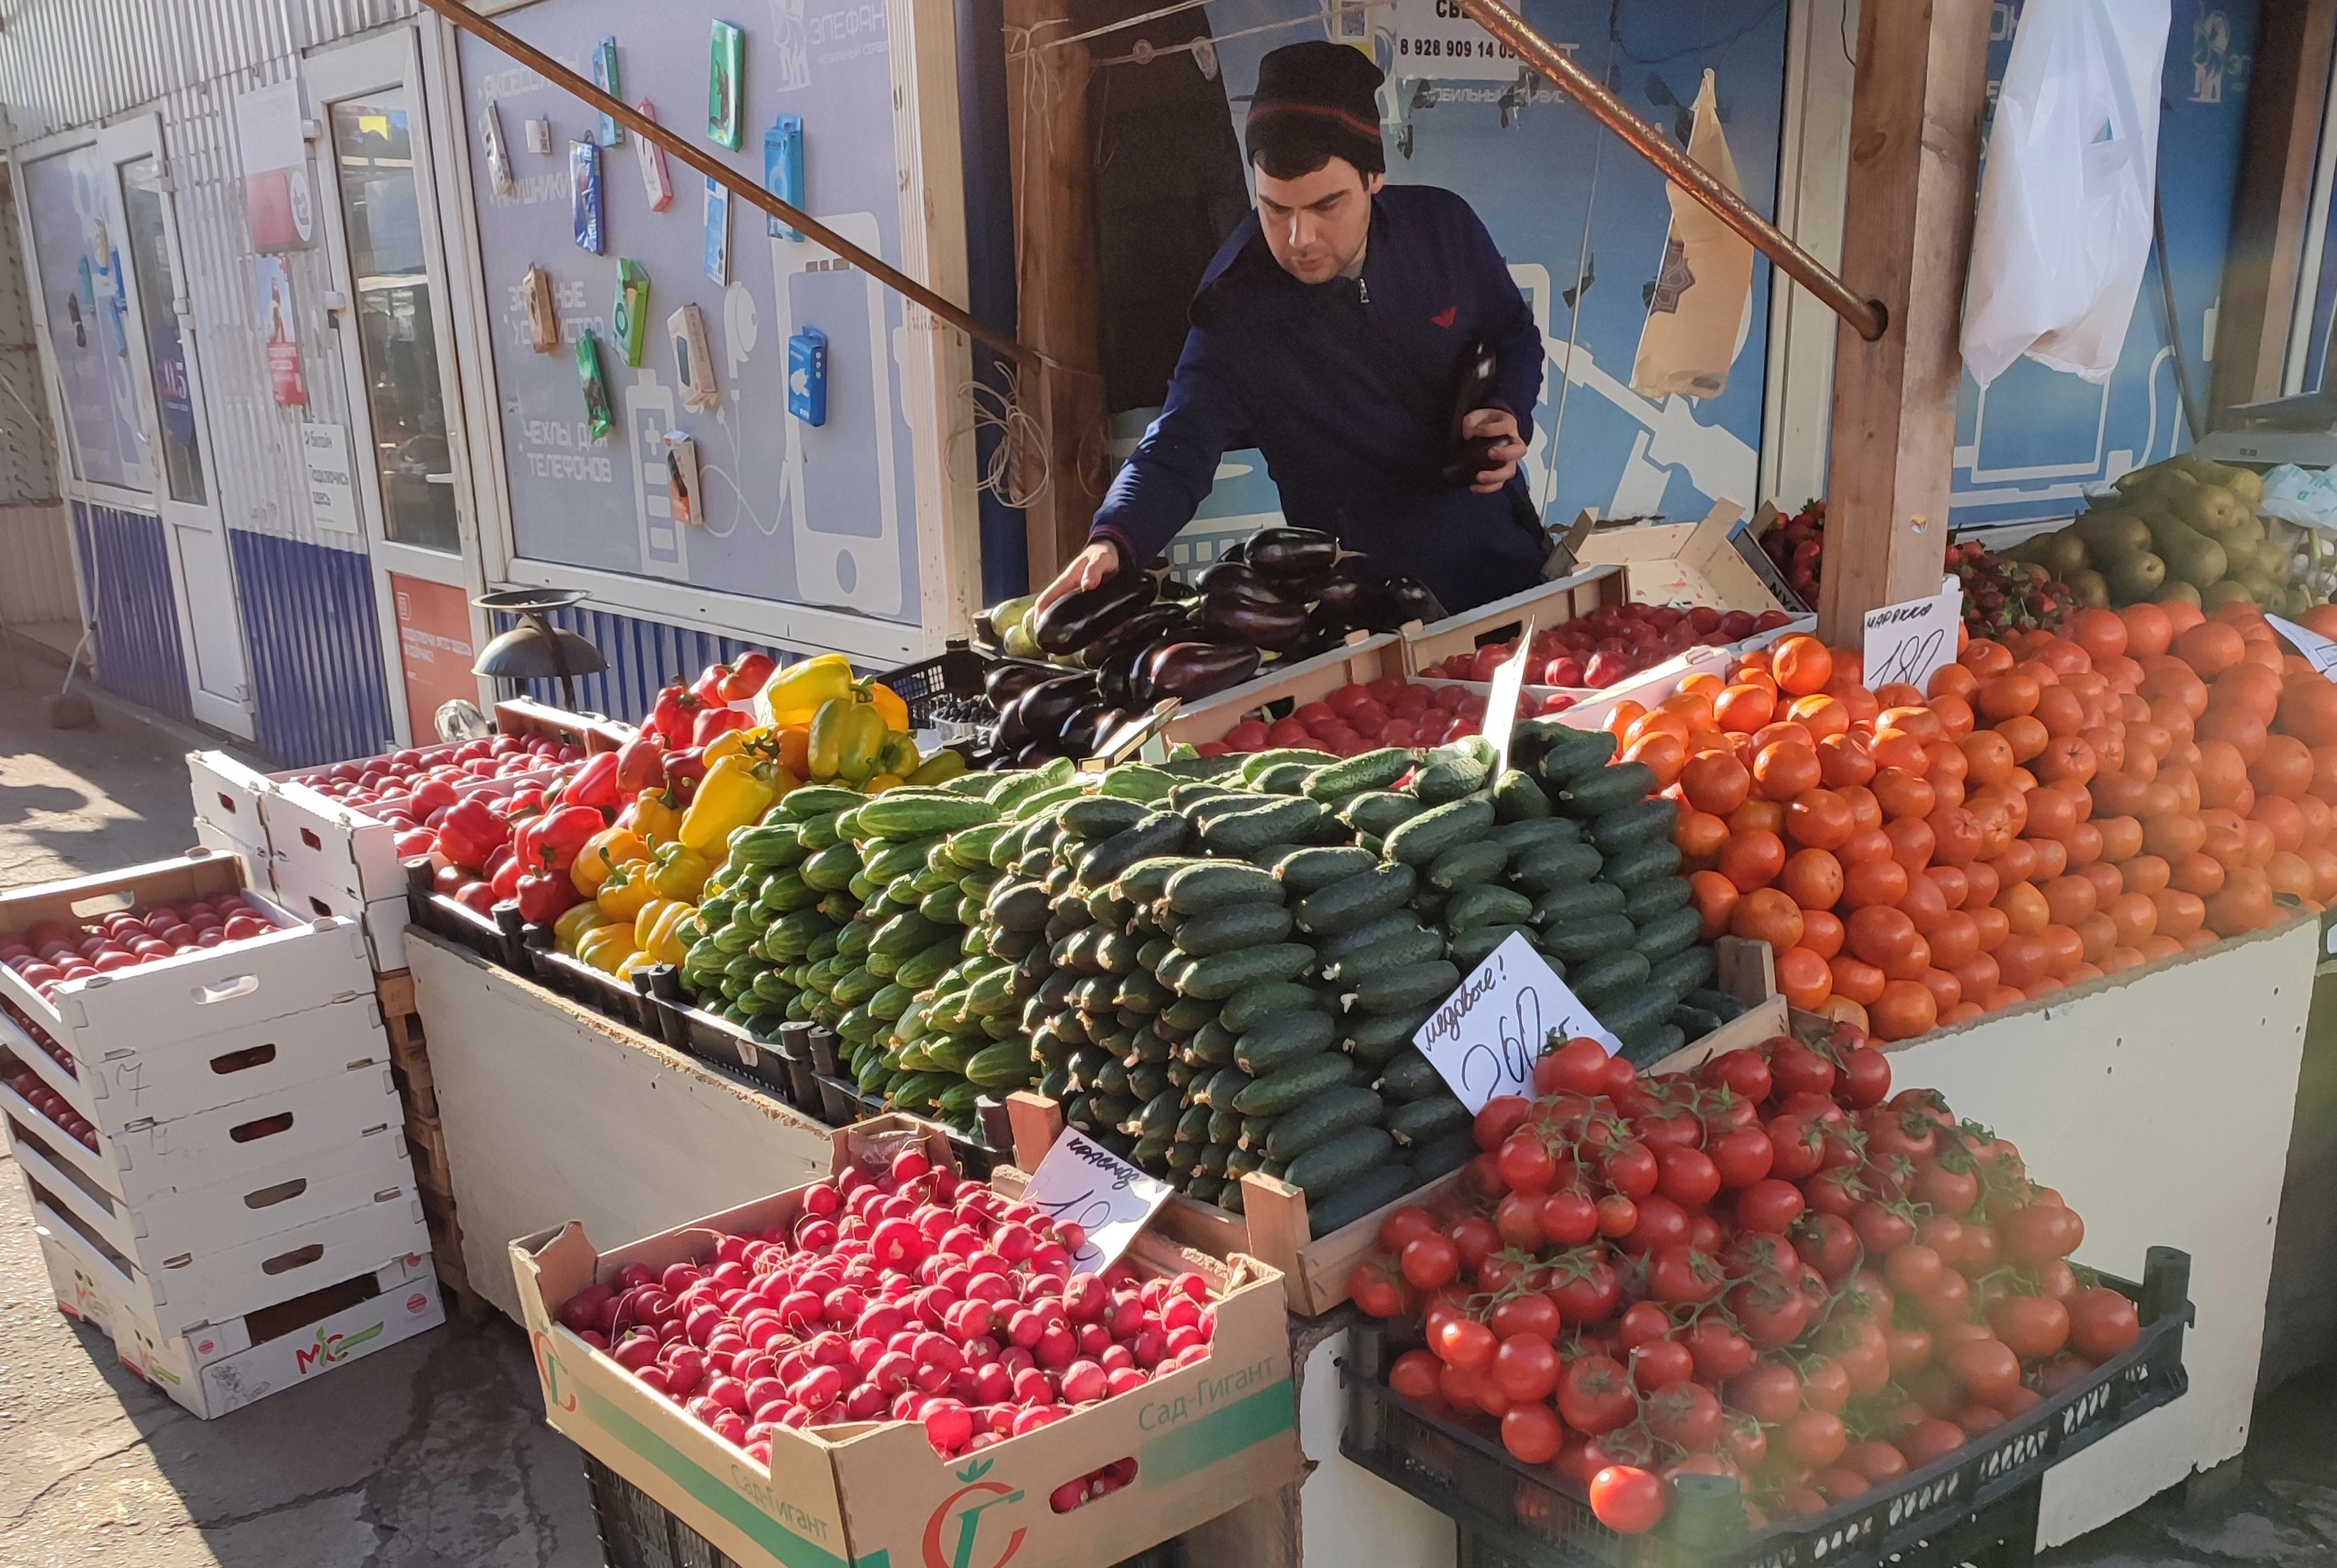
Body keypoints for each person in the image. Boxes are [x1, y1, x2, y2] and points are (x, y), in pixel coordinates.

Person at [1036, 40, 1548, 618]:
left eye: (1327, 205)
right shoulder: (1236, 307)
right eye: (1275, 208)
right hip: (1373, 616)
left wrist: (1509, 408)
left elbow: (1514, 334)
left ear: (1374, 177)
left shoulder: (1444, 227)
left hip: (1512, 571)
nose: (1299, 239)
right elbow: (1176, 446)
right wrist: (1115, 537)